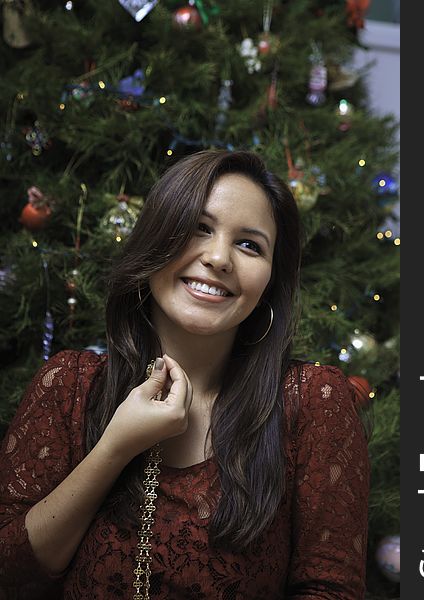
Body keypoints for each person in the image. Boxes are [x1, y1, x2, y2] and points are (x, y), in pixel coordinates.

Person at [0, 149, 370, 600]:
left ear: (269, 282)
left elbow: (331, 591)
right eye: (199, 227)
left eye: (249, 244)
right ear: (157, 239)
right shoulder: (68, 385)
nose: (218, 258)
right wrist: (114, 449)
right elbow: (11, 577)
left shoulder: (312, 400)